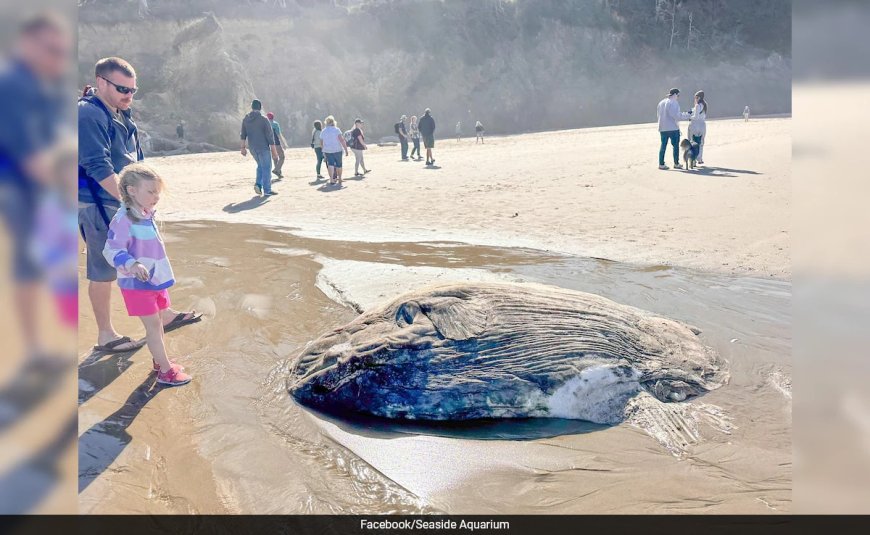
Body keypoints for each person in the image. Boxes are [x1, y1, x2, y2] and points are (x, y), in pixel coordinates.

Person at [79, 57, 199, 353]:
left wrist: (144, 197)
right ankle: (106, 335)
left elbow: (134, 160)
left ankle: (164, 314)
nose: (129, 95)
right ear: (101, 83)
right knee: (104, 268)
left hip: (127, 203)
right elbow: (97, 164)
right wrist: (129, 202)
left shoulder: (121, 113)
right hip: (100, 204)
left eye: (133, 90)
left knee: (148, 253)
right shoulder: (87, 114)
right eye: (122, 88)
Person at [1, 13, 73, 362]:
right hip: (17, 187)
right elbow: (28, 151)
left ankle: (37, 341)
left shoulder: (40, 84)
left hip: (33, 187)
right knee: (31, 265)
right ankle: (31, 348)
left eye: (61, 51)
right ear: (25, 44)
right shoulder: (13, 83)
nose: (57, 57)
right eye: (50, 49)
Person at [103, 163, 192, 386]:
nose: (156, 196)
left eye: (158, 192)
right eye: (151, 191)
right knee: (153, 327)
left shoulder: (144, 213)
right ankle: (165, 372)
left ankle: (159, 362)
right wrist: (131, 264)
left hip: (154, 281)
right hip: (137, 284)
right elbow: (111, 249)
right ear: (132, 190)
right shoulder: (123, 219)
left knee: (159, 323)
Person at [240, 99, 279, 196]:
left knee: (260, 166)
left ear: (252, 107)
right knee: (266, 167)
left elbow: (243, 134)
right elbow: (270, 138)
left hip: (252, 148)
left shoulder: (246, 119)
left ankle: (258, 184)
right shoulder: (264, 119)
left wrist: (243, 148)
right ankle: (267, 190)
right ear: (260, 108)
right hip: (263, 147)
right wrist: (274, 152)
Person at [656, 88, 688, 170]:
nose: (678, 97)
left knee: (663, 146)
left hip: (662, 128)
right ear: (675, 94)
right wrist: (687, 115)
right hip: (673, 128)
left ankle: (661, 164)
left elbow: (658, 115)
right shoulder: (673, 102)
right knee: (675, 146)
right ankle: (676, 163)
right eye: (678, 95)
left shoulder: (661, 102)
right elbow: (676, 116)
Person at [320, 115, 348, 186]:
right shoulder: (336, 130)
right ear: (333, 122)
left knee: (330, 164)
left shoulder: (323, 131)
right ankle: (340, 179)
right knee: (339, 165)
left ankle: (332, 179)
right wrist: (346, 149)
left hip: (328, 151)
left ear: (326, 122)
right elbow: (342, 140)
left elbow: (321, 142)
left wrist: (323, 151)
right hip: (337, 150)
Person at [266, 111, 287, 180]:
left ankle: (279, 173)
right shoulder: (275, 124)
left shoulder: (265, 125)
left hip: (269, 144)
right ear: (273, 117)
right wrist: (283, 143)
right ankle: (276, 170)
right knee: (282, 157)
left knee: (275, 158)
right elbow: (279, 135)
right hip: (276, 144)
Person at [688, 90, 708, 165]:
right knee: (701, 142)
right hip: (702, 125)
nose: (695, 98)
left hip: (695, 125)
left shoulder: (697, 105)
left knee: (692, 141)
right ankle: (700, 158)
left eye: (696, 97)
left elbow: (695, 117)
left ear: (699, 97)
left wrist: (690, 117)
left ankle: (693, 160)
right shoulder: (705, 105)